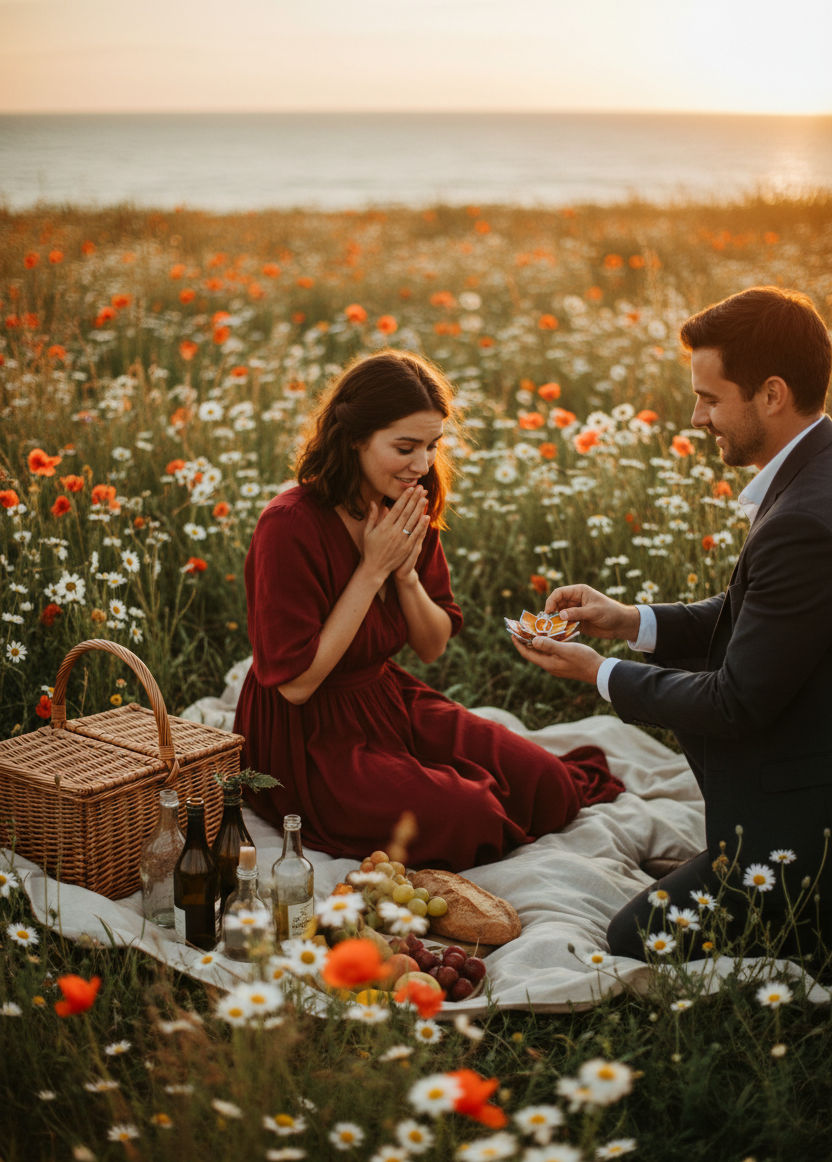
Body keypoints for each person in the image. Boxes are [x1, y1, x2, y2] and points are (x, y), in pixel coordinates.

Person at [513, 287, 832, 964]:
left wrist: (599, 674)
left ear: (772, 394)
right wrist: (630, 620)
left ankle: (801, 917)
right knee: (692, 664)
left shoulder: (804, 520)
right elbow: (754, 615)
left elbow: (738, 703)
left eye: (710, 399)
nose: (696, 417)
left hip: (807, 830)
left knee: (633, 937)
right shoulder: (816, 473)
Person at [234, 349, 624, 871]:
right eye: (405, 447)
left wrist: (405, 575)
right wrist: (371, 570)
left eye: (432, 445)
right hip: (306, 733)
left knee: (548, 784)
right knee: (468, 815)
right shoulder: (288, 525)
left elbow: (432, 644)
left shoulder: (408, 500)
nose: (421, 464)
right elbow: (296, 685)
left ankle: (442, 778)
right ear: (354, 438)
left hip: (383, 694)